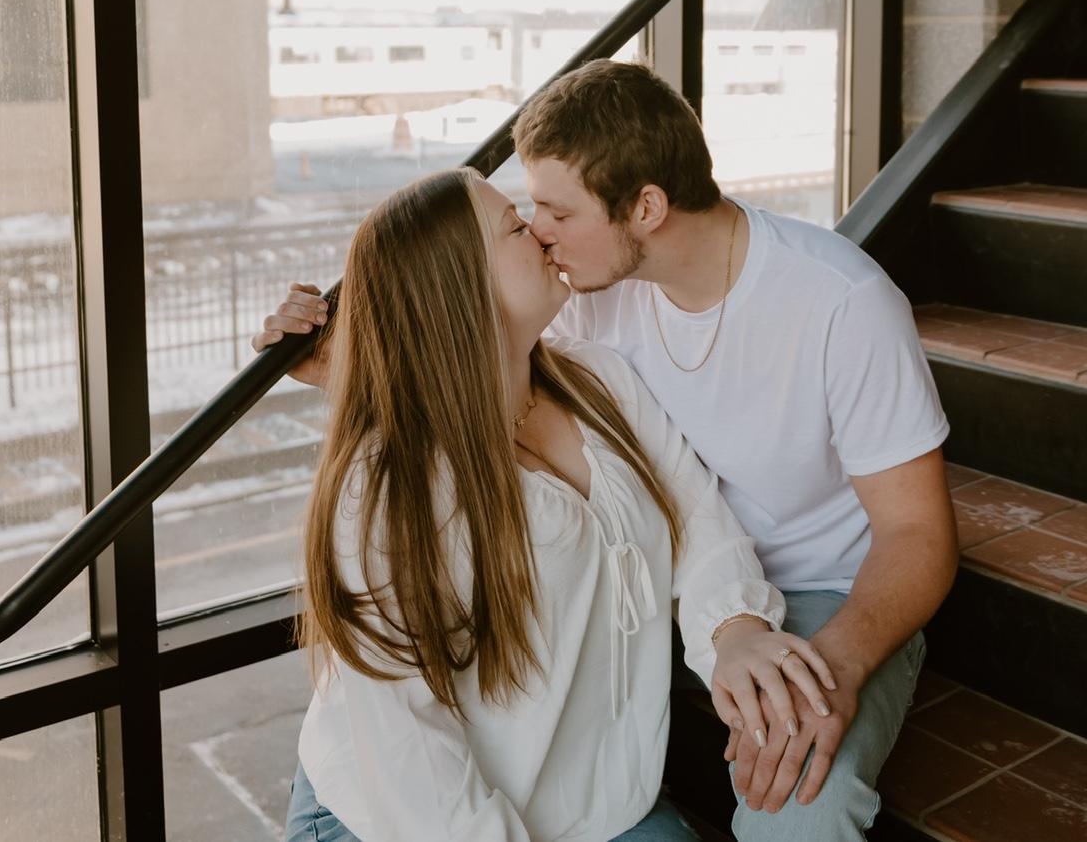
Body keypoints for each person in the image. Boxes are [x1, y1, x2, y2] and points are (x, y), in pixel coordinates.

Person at [260, 61, 957, 841]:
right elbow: (445, 343)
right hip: (439, 808)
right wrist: (344, 354)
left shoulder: (824, 307)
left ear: (647, 208)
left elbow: (886, 533)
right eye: (522, 219)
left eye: (552, 211)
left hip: (754, 631)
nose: (540, 231)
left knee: (796, 807)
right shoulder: (578, 312)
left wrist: (760, 640)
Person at [277, 166, 837, 842]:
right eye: (515, 226)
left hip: (599, 809)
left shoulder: (599, 379)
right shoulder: (386, 489)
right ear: (459, 285)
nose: (543, 233)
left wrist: (736, 630)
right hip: (408, 822)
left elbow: (697, 522)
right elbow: (407, 758)